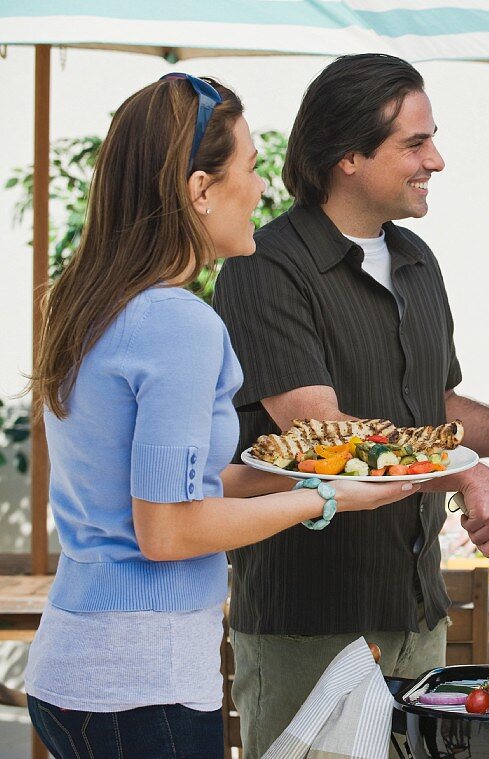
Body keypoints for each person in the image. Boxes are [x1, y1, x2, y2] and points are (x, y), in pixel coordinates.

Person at [212, 53, 489, 757]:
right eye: (415, 144)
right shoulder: (264, 266)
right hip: (310, 628)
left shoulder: (417, 259)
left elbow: (437, 405)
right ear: (348, 154)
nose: (437, 160)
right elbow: (318, 431)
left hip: (417, 620)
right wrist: (465, 473)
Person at [23, 74, 412, 757]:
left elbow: (177, 487)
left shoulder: (95, 307)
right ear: (200, 190)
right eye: (252, 168)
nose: (263, 189)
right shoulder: (178, 324)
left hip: (78, 668)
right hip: (143, 683)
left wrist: (302, 476)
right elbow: (168, 530)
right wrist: (321, 498)